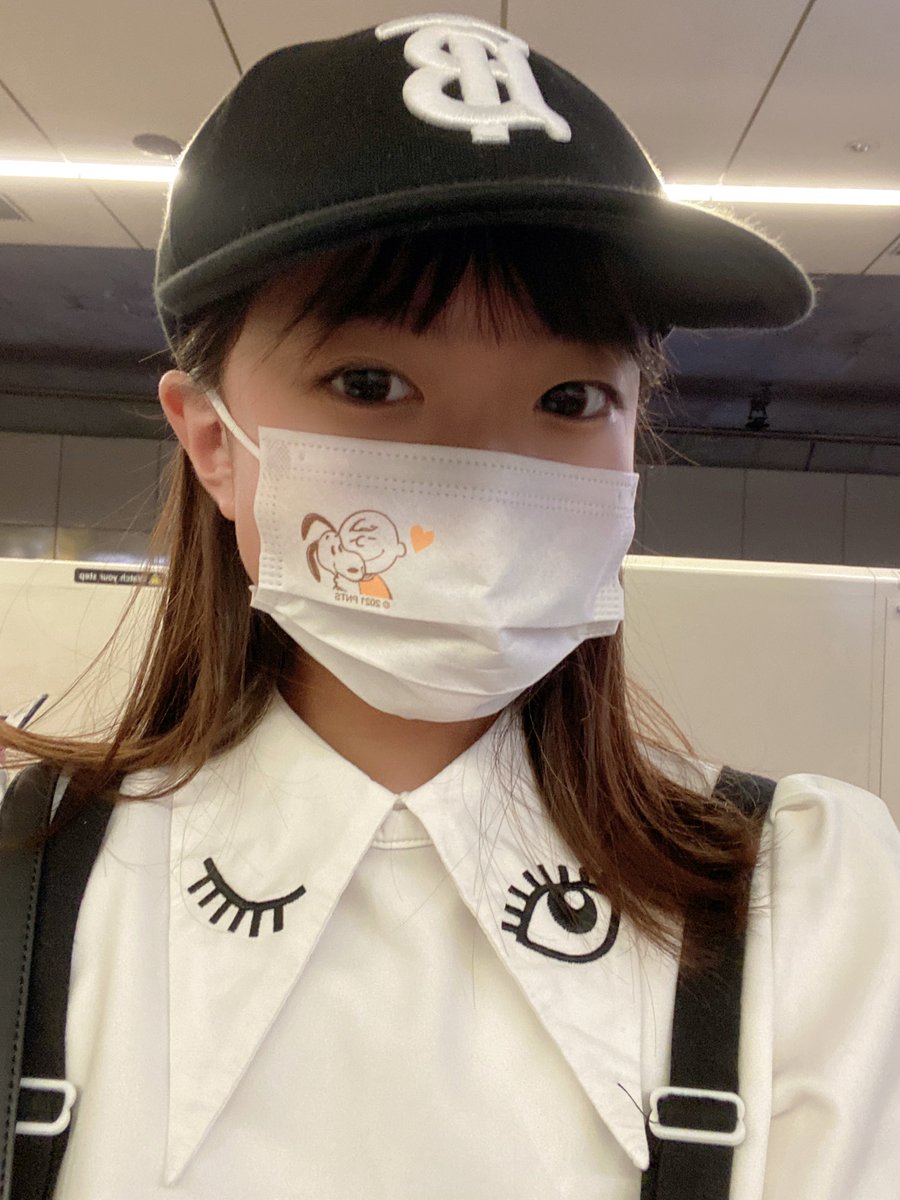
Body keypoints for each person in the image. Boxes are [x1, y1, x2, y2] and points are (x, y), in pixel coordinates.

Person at [2, 13, 899, 1199]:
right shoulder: (28, 888)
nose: (483, 474)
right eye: (371, 382)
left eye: (570, 398)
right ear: (212, 442)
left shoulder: (804, 904)